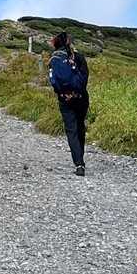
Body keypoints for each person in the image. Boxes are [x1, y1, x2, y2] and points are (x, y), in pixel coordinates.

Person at [48, 31, 90, 177]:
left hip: (64, 99)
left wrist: (63, 94)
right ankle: (80, 157)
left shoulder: (53, 59)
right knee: (80, 127)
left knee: (71, 130)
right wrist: (76, 92)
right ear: (68, 42)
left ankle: (79, 163)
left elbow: (53, 81)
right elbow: (84, 77)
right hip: (81, 98)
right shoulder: (78, 57)